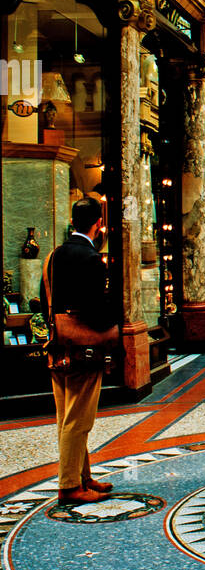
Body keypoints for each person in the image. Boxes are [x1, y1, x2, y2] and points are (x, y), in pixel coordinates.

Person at [40, 196, 118, 504]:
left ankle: (83, 475)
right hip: (83, 350)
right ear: (98, 224)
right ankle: (70, 485)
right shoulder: (90, 259)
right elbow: (96, 310)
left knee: (66, 415)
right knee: (79, 419)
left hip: (57, 346)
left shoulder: (54, 256)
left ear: (73, 222)